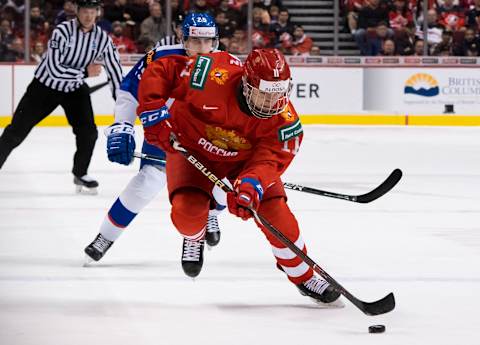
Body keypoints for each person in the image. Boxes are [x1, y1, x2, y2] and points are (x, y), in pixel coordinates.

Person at [134, 47, 342, 305]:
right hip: (192, 149)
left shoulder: (286, 123)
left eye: (278, 95)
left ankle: (303, 275)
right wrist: (153, 111)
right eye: (264, 94)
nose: (272, 103)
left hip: (243, 162)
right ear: (246, 84)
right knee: (187, 215)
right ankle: (195, 236)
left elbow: (270, 160)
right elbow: (163, 69)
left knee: (275, 213)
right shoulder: (210, 74)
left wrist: (251, 184)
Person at [84, 12, 225, 267]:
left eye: (208, 42)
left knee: (224, 185)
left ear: (216, 41)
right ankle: (105, 237)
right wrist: (122, 126)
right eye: (195, 41)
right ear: (184, 39)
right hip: (165, 134)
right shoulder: (160, 57)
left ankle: (211, 213)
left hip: (209, 140)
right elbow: (129, 90)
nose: (202, 49)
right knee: (146, 183)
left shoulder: (228, 64)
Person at [0, 0, 123, 194]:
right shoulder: (62, 31)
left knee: (88, 132)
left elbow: (115, 71)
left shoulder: (102, 39)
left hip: (74, 89)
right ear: (77, 11)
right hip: (44, 87)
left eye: (92, 11)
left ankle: (80, 173)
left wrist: (122, 101)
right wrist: (84, 73)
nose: (89, 16)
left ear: (97, 13)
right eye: (85, 11)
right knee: (16, 131)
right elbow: (54, 68)